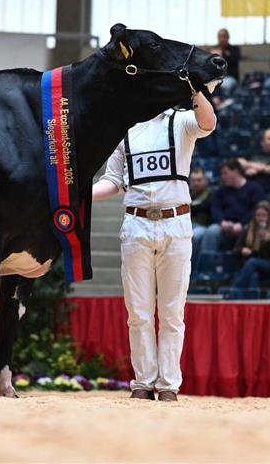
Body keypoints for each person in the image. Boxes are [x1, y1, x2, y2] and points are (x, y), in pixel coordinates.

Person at [92, 90, 217, 403]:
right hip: (136, 223)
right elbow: (113, 180)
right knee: (138, 311)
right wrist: (80, 195)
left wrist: (195, 90)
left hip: (176, 221)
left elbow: (208, 123)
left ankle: (168, 385)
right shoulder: (126, 129)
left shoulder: (181, 121)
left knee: (172, 311)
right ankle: (143, 382)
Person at [201, 158, 266, 253]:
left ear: (236, 171)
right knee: (212, 231)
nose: (222, 177)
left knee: (249, 231)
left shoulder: (254, 188)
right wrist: (222, 222)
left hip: (246, 224)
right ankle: (206, 261)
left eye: (225, 173)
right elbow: (215, 208)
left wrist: (241, 224)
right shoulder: (221, 191)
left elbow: (256, 209)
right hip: (224, 225)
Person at [231, 201, 270, 290]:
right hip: (253, 265)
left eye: (264, 215)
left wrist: (269, 242)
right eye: (258, 215)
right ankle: (252, 297)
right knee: (254, 276)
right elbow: (235, 250)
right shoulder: (249, 228)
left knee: (252, 262)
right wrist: (242, 250)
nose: (261, 218)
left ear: (269, 216)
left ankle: (233, 291)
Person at [209, 28, 240, 97]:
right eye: (220, 37)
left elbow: (233, 60)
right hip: (215, 78)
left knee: (224, 86)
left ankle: (224, 101)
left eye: (224, 36)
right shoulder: (213, 49)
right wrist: (211, 56)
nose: (222, 39)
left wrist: (222, 55)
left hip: (230, 77)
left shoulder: (234, 49)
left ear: (228, 37)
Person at [189, 168, 213, 253]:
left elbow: (204, 207)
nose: (196, 183)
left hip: (203, 226)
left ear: (206, 181)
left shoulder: (211, 194)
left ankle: (192, 262)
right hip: (188, 225)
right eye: (193, 180)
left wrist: (192, 206)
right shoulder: (187, 194)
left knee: (193, 236)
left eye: (199, 180)